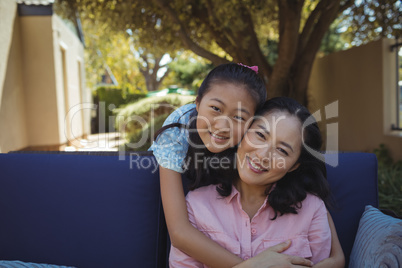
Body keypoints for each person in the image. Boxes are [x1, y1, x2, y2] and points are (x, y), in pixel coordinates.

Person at [150, 64, 344, 267]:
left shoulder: (310, 207)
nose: (223, 125)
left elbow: (314, 208)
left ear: (249, 122)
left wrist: (337, 257)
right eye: (260, 135)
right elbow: (180, 233)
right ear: (198, 102)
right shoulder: (176, 135)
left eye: (239, 118)